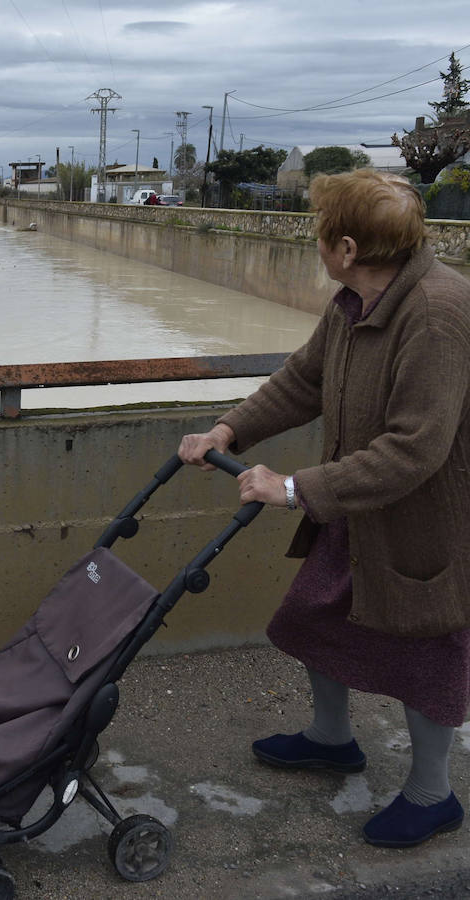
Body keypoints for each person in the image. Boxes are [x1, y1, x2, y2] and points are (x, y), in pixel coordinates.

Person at [178, 168, 470, 849]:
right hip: (358, 509)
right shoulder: (356, 298)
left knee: (427, 649)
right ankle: (333, 739)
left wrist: (293, 490)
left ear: (344, 246)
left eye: (319, 234)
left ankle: (434, 794)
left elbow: (415, 450)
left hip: (426, 522)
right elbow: (303, 379)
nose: (316, 245)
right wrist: (229, 429)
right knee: (315, 614)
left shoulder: (435, 314)